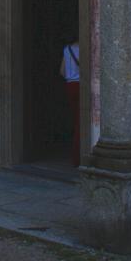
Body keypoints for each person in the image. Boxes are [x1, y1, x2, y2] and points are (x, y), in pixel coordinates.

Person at [60, 34, 80, 166]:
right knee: (80, 123)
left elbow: (62, 71)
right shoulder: (82, 49)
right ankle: (77, 157)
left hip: (69, 85)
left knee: (75, 119)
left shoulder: (67, 49)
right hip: (80, 85)